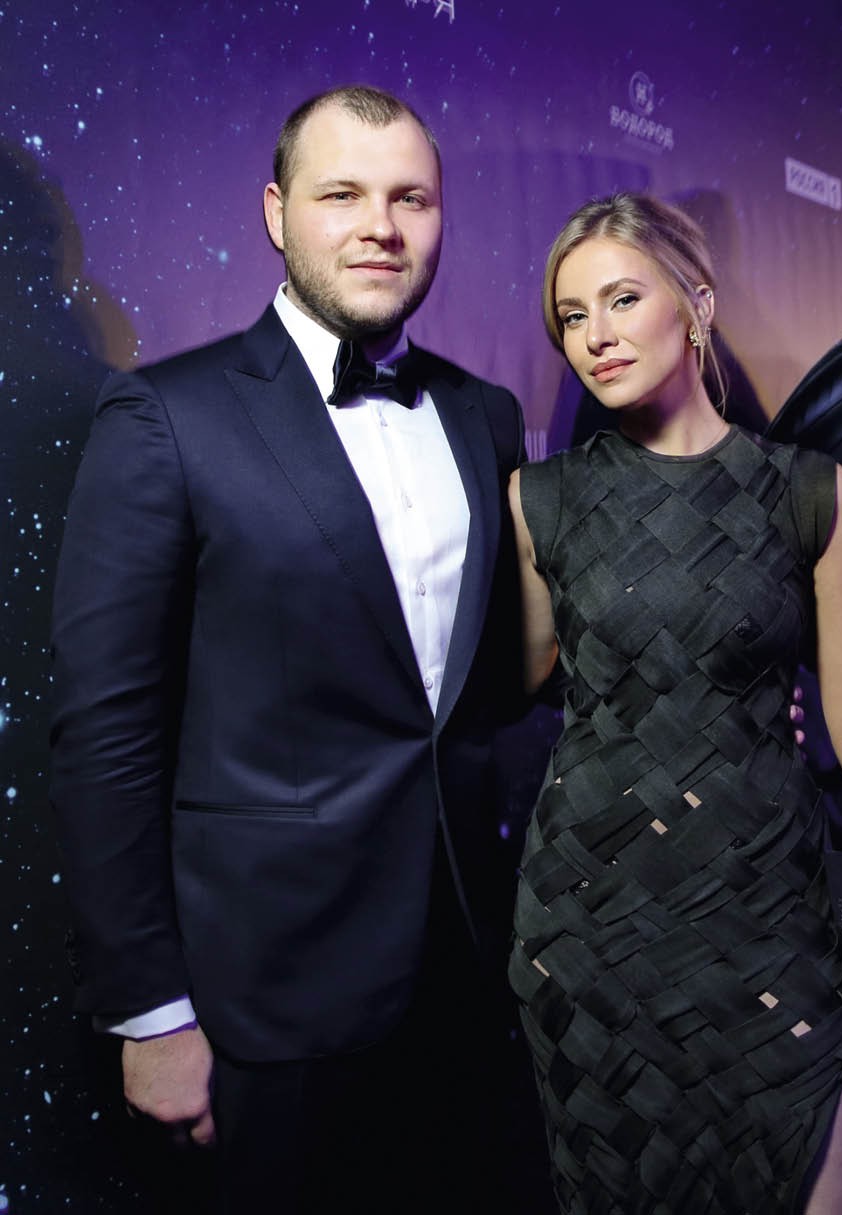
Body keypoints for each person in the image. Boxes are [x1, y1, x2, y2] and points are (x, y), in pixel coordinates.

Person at [48, 84, 534, 1215]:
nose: (381, 226)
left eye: (411, 198)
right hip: (261, 1010)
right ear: (276, 214)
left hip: (470, 983)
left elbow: (502, 685)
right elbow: (104, 737)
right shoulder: (166, 416)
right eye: (342, 195)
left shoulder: (486, 415)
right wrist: (151, 1015)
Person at [506, 192, 842, 1215]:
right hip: (596, 922)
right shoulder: (543, 500)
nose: (596, 334)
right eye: (572, 315)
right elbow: (515, 687)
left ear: (696, 305)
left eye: (623, 299)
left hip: (770, 909)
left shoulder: (809, 491)